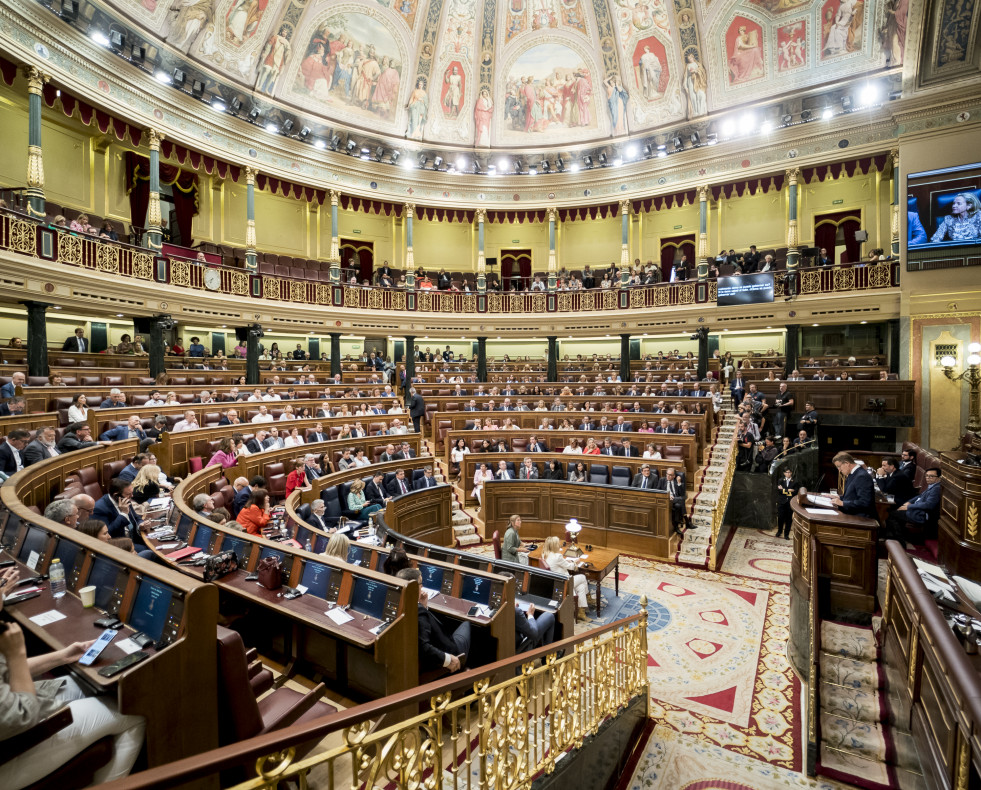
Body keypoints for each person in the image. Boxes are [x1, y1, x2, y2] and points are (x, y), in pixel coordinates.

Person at [0, 565, 146, 788]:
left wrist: (62, 656)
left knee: (81, 685)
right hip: (11, 751)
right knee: (132, 713)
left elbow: (7, 672)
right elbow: (22, 716)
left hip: (14, 722)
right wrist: (17, 655)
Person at [398, 567, 470, 673]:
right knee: (467, 624)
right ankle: (465, 669)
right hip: (450, 652)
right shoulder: (418, 611)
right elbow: (423, 647)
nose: (422, 586)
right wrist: (448, 660)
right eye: (420, 583)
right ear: (413, 587)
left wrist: (423, 605)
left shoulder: (401, 605)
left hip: (426, 652)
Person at [885, 468, 942, 544]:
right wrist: (908, 502)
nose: (928, 478)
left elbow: (929, 505)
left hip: (920, 514)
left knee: (892, 515)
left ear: (939, 478)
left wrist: (909, 507)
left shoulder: (936, 489)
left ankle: (899, 541)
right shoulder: (933, 486)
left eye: (931, 476)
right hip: (916, 509)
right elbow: (920, 496)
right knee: (895, 512)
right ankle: (897, 538)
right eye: (926, 476)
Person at [541, 536, 589, 622]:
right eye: (558, 544)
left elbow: (559, 564)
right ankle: (588, 597)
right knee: (583, 577)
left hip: (555, 583)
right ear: (554, 545)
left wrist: (566, 562)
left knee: (581, 586)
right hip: (564, 583)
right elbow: (571, 567)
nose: (559, 545)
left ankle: (581, 612)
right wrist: (576, 562)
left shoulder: (545, 554)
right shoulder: (557, 556)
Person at [829, 452, 877, 518]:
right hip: (852, 514)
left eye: (839, 466)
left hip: (862, 518)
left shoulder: (862, 476)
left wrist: (842, 503)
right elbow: (851, 497)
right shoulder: (853, 474)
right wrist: (837, 497)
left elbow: (864, 502)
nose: (839, 470)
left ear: (847, 463)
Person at [658, 468, 690, 533]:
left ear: (674, 476)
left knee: (678, 505)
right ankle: (687, 521)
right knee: (681, 500)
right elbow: (657, 491)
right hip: (666, 499)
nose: (668, 476)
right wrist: (667, 496)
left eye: (670, 475)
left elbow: (682, 494)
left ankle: (676, 526)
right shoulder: (662, 480)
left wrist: (679, 483)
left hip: (676, 500)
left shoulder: (676, 482)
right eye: (667, 474)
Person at [775, 466, 798, 539]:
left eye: (789, 472)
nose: (788, 474)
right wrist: (789, 490)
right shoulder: (781, 480)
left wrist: (784, 490)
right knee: (780, 517)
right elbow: (780, 491)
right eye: (786, 472)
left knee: (789, 519)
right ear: (784, 473)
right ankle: (779, 531)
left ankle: (786, 534)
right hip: (781, 502)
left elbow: (796, 491)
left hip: (790, 502)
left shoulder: (795, 481)